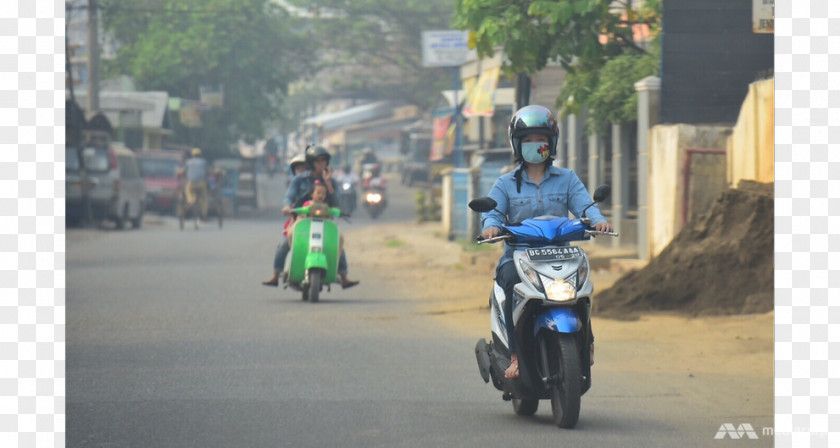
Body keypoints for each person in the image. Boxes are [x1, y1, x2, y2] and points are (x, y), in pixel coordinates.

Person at [480, 105, 613, 379]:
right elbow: (492, 212)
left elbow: (586, 207)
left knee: (582, 289)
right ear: (517, 144)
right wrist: (491, 227)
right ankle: (515, 356)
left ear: (550, 143)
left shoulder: (568, 179)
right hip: (519, 257)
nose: (534, 145)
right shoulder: (505, 184)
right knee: (508, 280)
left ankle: (586, 341)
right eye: (527, 140)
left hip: (560, 256)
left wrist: (598, 220)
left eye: (540, 139)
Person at [262, 145, 359, 289]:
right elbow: (289, 196)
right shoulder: (299, 179)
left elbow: (337, 201)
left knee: (338, 240)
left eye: (324, 161)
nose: (322, 164)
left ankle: (343, 276)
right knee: (284, 242)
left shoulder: (331, 181)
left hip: (325, 220)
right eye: (318, 161)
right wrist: (287, 207)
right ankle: (276, 275)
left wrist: (327, 182)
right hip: (301, 218)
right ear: (311, 162)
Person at [177, 147, 210, 220]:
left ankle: (190, 201)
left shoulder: (188, 162)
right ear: (200, 155)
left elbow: (183, 171)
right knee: (204, 198)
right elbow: (208, 172)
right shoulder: (204, 162)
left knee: (187, 191)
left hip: (191, 183)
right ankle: (204, 214)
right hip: (201, 183)